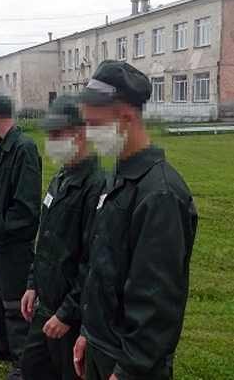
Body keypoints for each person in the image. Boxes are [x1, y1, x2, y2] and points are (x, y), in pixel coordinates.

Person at [73, 60, 198, 380]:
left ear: (126, 118)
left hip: (130, 363)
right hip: (101, 346)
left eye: (94, 124)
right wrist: (88, 331)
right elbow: (101, 264)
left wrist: (130, 369)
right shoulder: (116, 178)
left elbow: (156, 300)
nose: (88, 134)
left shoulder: (160, 194)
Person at [19, 95, 105, 380]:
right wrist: (32, 284)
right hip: (46, 304)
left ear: (79, 134)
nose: (51, 141)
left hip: (70, 316)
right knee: (31, 368)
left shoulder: (96, 186)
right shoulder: (61, 177)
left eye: (58, 134)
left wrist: (67, 313)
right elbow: (45, 240)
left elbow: (93, 261)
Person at [0, 92, 42, 380]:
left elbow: (26, 206)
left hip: (15, 244)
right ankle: (3, 347)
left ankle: (23, 362)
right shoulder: (3, 147)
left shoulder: (23, 148)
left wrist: (2, 228)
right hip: (1, 241)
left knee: (17, 305)